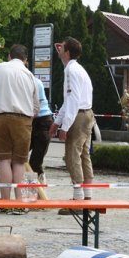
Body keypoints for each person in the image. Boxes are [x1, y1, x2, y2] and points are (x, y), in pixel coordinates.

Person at [0, 44, 39, 210]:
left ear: (9, 56)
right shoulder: (29, 75)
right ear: (25, 60)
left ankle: (5, 202)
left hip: (0, 117)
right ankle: (19, 203)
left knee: (4, 159)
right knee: (19, 161)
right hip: (23, 119)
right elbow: (36, 107)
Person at [49, 37, 95, 214]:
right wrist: (57, 122)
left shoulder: (70, 70)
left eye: (61, 48)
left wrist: (64, 126)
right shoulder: (78, 68)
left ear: (67, 52)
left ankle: (78, 200)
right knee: (84, 155)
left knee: (72, 156)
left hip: (78, 116)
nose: (59, 50)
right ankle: (87, 198)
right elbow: (69, 100)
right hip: (86, 113)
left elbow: (73, 100)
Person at [29, 78, 53, 184]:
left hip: (42, 120)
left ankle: (40, 188)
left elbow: (37, 106)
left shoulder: (34, 81)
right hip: (29, 119)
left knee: (35, 162)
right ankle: (31, 189)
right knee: (18, 159)